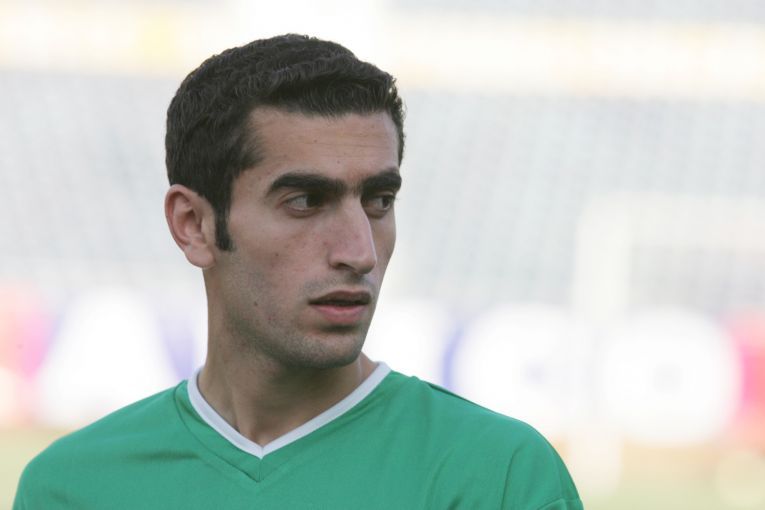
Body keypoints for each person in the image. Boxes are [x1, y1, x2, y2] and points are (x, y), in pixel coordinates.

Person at [14, 34, 582, 509]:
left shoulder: (499, 478)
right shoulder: (72, 489)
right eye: (306, 202)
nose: (359, 252)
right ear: (194, 225)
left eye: (379, 200)